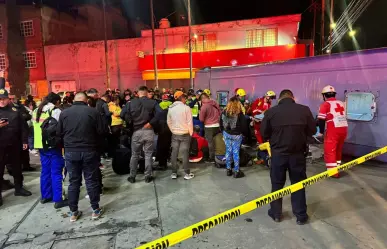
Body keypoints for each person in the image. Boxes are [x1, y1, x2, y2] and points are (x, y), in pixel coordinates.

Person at [260, 89, 316, 225]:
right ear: (293, 97)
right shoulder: (304, 110)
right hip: (298, 154)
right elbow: (313, 131)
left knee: (277, 184)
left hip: (278, 154)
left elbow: (264, 133)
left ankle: (276, 214)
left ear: (279, 99)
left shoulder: (271, 112)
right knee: (298, 184)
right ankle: (301, 215)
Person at [57, 92, 108, 222]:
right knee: (91, 180)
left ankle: (73, 212)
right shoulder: (93, 112)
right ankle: (95, 210)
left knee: (73, 182)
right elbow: (102, 131)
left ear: (74, 100)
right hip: (89, 150)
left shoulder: (64, 113)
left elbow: (59, 133)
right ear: (86, 101)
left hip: (71, 152)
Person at [33, 92, 68, 209]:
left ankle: (46, 196)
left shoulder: (36, 110)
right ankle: (58, 199)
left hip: (40, 146)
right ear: (57, 102)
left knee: (45, 171)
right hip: (52, 145)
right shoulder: (55, 111)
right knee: (57, 172)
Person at [0, 87, 32, 207]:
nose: (2, 101)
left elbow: (23, 127)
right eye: (0, 99)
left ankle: (19, 188)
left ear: (8, 99)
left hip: (14, 144)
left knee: (17, 168)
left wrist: (24, 141)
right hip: (0, 146)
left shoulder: (15, 110)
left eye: (4, 99)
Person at [123, 86, 159, 184]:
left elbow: (123, 114)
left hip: (136, 131)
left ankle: (132, 176)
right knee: (148, 154)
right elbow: (160, 114)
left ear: (138, 93)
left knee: (135, 155)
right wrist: (151, 123)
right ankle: (148, 176)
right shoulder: (153, 102)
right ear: (147, 93)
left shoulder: (130, 103)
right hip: (149, 131)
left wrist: (130, 122)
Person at [317, 85, 348, 178]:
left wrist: (321, 132)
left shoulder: (325, 104)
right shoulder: (342, 103)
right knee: (338, 149)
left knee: (329, 150)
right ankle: (337, 167)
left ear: (324, 96)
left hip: (333, 129)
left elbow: (321, 120)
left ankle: (333, 173)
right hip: (344, 128)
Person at [167, 91, 194, 180]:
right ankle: (186, 173)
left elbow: (169, 122)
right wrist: (191, 133)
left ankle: (174, 173)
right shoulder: (186, 108)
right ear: (181, 98)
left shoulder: (171, 108)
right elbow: (189, 122)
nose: (185, 99)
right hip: (185, 133)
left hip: (175, 134)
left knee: (174, 153)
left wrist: (173, 130)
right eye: (184, 97)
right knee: (185, 153)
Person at [220, 97, 248, 178]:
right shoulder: (240, 114)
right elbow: (244, 127)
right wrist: (244, 134)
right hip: (236, 135)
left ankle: (228, 170)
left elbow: (221, 123)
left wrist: (223, 132)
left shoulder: (224, 112)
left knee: (228, 151)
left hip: (226, 134)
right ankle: (236, 171)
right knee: (236, 153)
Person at [199, 93, 221, 163]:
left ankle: (211, 158)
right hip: (217, 125)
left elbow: (201, 119)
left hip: (209, 127)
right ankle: (218, 156)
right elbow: (220, 112)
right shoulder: (215, 103)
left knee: (210, 143)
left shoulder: (204, 106)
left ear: (202, 98)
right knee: (217, 141)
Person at [155, 94, 172, 170]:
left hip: (161, 128)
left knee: (161, 146)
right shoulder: (171, 104)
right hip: (170, 127)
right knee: (167, 145)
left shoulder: (159, 105)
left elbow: (156, 117)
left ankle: (161, 164)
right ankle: (166, 160)